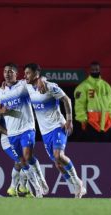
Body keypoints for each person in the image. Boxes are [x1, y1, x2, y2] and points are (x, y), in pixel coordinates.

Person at [24, 63, 86, 198]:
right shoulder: (27, 87)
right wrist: (5, 84)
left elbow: (67, 100)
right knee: (58, 164)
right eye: (25, 73)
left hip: (59, 126)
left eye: (28, 73)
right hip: (45, 133)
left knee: (58, 155)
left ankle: (78, 183)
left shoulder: (50, 86)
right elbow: (14, 84)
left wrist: (69, 120)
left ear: (36, 74)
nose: (25, 76)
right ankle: (75, 185)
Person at [0, 62, 48, 198]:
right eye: (5, 71)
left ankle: (39, 186)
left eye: (10, 71)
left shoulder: (23, 84)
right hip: (12, 133)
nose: (7, 73)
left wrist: (43, 80)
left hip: (27, 127)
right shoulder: (1, 91)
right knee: (22, 161)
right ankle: (24, 187)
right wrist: (9, 112)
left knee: (27, 157)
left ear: (16, 74)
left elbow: (38, 79)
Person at [0, 100, 32, 198]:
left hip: (23, 136)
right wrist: (9, 133)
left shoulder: (24, 99)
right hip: (8, 140)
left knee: (22, 161)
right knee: (23, 161)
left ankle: (15, 189)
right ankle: (21, 189)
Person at [74, 61, 111, 141]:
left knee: (106, 149)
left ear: (100, 70)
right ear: (90, 70)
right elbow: (79, 104)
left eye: (96, 69)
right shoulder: (83, 86)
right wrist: (82, 119)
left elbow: (110, 103)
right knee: (92, 148)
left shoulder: (106, 86)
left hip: (106, 122)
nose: (95, 71)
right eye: (93, 69)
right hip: (91, 122)